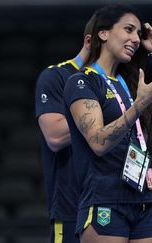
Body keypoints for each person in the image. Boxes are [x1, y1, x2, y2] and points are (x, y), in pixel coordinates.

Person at [63, 4, 152, 243]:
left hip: (142, 198)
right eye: (128, 30)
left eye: (138, 33)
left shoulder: (134, 85)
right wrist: (140, 105)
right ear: (103, 34)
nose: (136, 39)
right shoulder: (83, 82)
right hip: (104, 199)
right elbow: (98, 142)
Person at [34, 15, 95, 243]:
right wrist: (104, 116)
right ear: (90, 41)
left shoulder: (117, 82)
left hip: (111, 207)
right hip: (72, 208)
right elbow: (55, 136)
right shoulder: (56, 76)